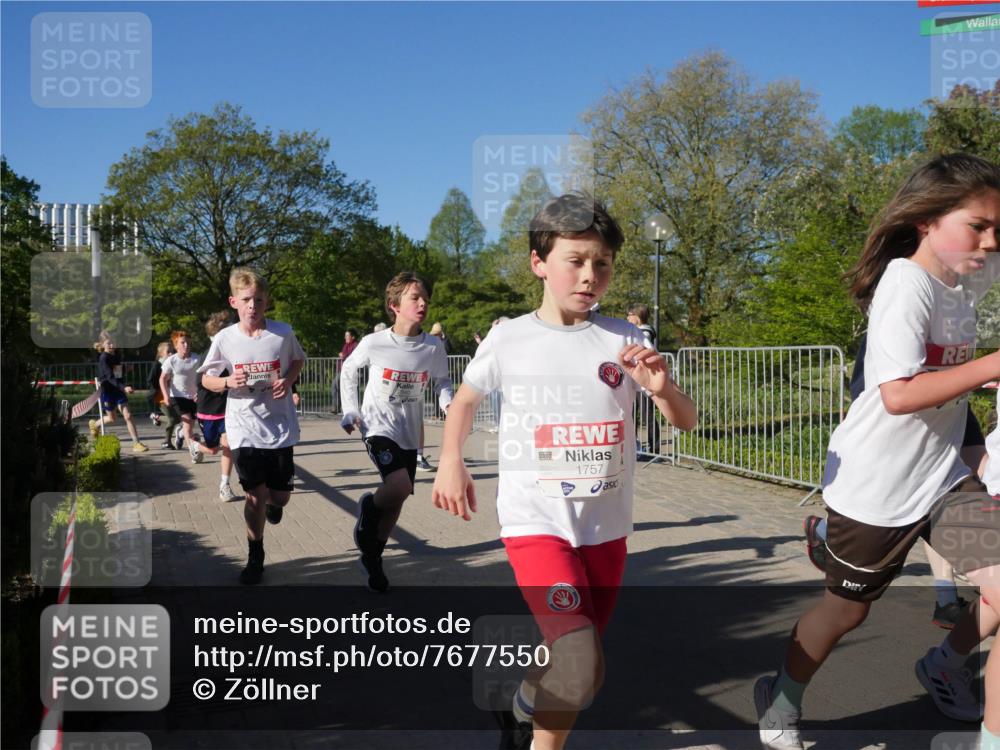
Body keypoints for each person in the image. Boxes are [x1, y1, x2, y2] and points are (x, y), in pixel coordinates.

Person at [432, 193, 697, 750]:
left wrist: (661, 388)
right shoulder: (510, 338)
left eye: (601, 263)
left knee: (584, 671)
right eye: (574, 261)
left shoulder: (626, 340)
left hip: (605, 529)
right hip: (536, 525)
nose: (589, 275)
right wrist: (451, 461)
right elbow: (463, 402)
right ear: (538, 264)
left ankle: (519, 702)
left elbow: (686, 420)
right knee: (576, 661)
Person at [754, 153, 1000, 750]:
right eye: (979, 226)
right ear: (927, 222)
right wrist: (990, 367)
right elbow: (896, 395)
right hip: (876, 488)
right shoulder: (906, 283)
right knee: (847, 611)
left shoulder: (961, 286)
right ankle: (781, 697)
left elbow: (948, 379)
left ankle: (949, 670)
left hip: (941, 482)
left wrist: (974, 399)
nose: (992, 242)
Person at [803, 332, 985, 628]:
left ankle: (946, 606)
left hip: (939, 457)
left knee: (940, 504)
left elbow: (961, 410)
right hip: (886, 466)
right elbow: (873, 395)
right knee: (846, 612)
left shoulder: (958, 319)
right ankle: (824, 530)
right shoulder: (893, 319)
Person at [340, 271, 454, 593]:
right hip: (378, 426)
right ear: (394, 305)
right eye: (414, 298)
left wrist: (448, 404)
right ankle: (367, 509)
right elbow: (349, 370)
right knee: (399, 485)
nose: (422, 304)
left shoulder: (432, 346)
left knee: (398, 498)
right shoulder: (375, 342)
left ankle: (373, 556)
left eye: (425, 299)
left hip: (408, 429)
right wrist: (351, 410)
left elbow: (443, 381)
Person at [198, 267, 305, 585]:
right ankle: (255, 554)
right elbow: (205, 379)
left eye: (259, 300)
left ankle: (275, 504)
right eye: (246, 300)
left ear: (266, 301)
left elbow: (299, 359)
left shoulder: (283, 333)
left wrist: (287, 379)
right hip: (243, 425)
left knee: (280, 496)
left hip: (279, 425)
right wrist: (228, 380)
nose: (253, 306)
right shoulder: (225, 338)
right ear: (234, 301)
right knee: (255, 495)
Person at [192, 311, 237, 502]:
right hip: (208, 410)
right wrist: (224, 383)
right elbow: (199, 380)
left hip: (227, 408)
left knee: (228, 445)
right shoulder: (208, 356)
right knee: (212, 450)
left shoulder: (234, 355)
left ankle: (224, 485)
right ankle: (194, 445)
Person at [89, 331, 149, 452]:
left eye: (113, 342)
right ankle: (95, 425)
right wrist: (124, 387)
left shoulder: (116, 354)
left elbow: (117, 371)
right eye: (108, 343)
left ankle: (136, 443)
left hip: (118, 390)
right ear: (102, 345)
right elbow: (110, 377)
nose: (112, 345)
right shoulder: (103, 358)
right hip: (107, 391)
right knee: (112, 418)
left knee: (128, 416)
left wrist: (126, 369)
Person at [159, 331, 201, 463]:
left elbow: (203, 377)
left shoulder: (197, 359)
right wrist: (166, 396)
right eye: (183, 342)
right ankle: (193, 452)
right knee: (188, 424)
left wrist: (200, 392)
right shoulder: (171, 361)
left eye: (188, 342)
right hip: (177, 396)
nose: (186, 344)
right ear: (176, 345)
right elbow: (163, 379)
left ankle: (180, 433)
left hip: (194, 397)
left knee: (190, 424)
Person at [627, 303, 661, 456]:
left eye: (630, 314)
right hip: (634, 379)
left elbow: (641, 352)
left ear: (637, 316)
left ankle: (655, 450)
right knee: (632, 414)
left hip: (645, 379)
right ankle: (634, 446)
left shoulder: (645, 331)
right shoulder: (635, 331)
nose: (627, 317)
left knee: (647, 414)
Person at [146, 341, 172, 430]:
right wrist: (156, 389)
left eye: (172, 351)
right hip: (159, 395)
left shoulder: (171, 363)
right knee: (172, 418)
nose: (171, 354)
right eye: (168, 352)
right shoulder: (157, 365)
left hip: (169, 393)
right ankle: (155, 416)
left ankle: (156, 416)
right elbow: (150, 380)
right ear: (161, 354)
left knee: (176, 417)